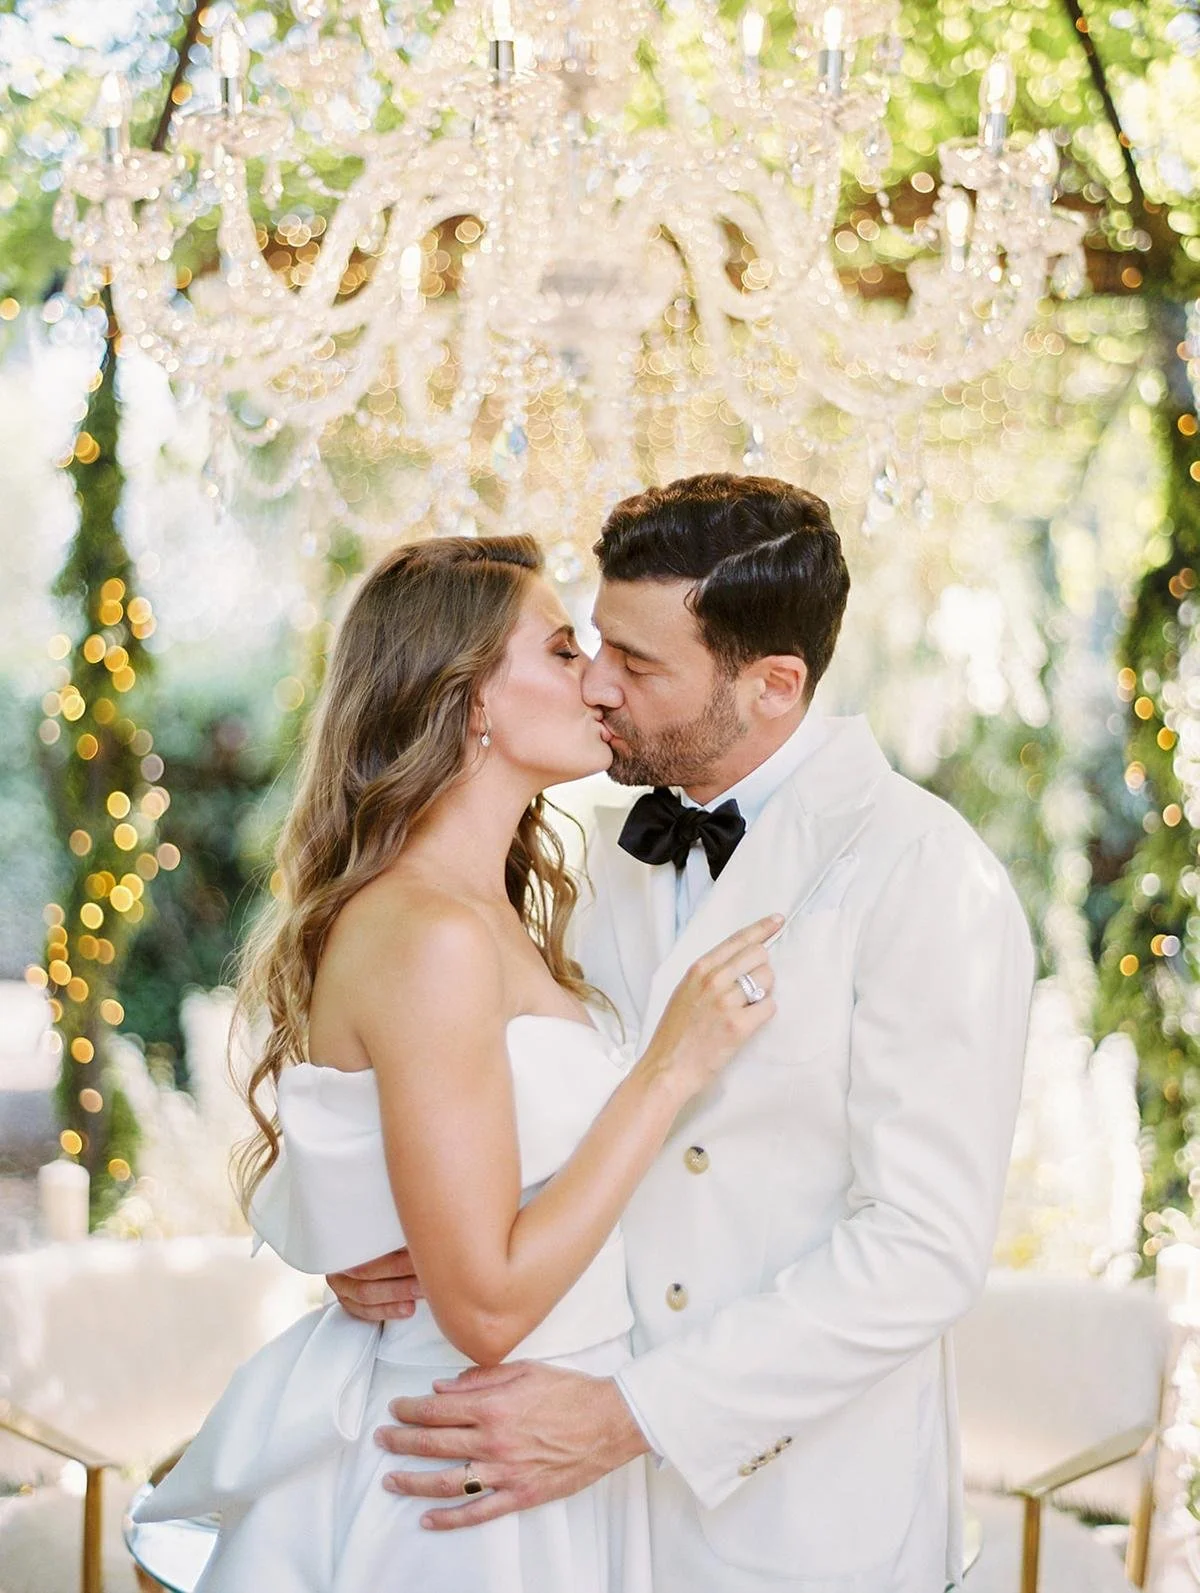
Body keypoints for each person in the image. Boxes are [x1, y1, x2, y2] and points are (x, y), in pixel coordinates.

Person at [337, 474, 1036, 1593]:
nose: (600, 687)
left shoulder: (928, 876)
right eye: (593, 646)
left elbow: (921, 1249)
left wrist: (635, 1415)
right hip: (574, 1511)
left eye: (640, 665)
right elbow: (474, 1089)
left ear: (773, 684)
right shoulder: (588, 854)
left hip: (801, 1521)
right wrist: (363, 1235)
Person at [132, 532, 784, 1592]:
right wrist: (668, 1070)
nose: (601, 680)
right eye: (566, 650)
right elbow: (483, 1309)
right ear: (471, 697)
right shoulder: (428, 933)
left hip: (544, 1446)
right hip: (466, 1480)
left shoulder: (491, 913)